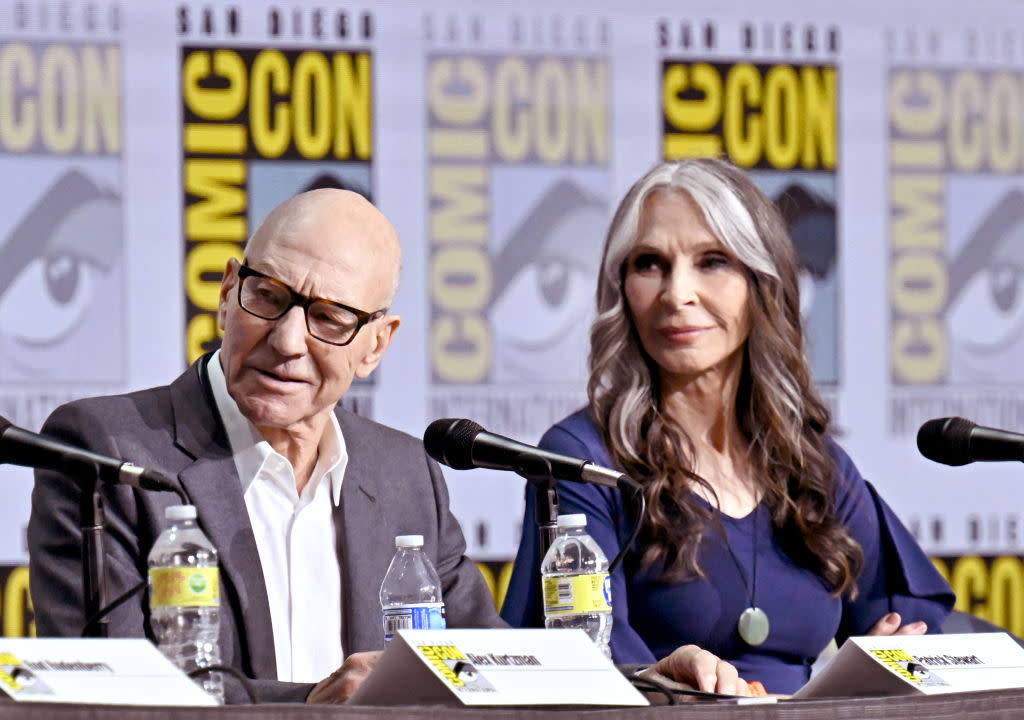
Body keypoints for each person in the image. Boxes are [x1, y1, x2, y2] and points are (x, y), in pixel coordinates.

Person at [28, 189, 503, 704]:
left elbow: (483, 667)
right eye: (269, 297)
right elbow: (107, 692)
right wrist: (308, 708)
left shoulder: (406, 475)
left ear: (376, 345)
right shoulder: (105, 453)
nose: (288, 341)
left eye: (329, 318)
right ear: (228, 293)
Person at [501, 158, 955, 696]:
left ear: (760, 284)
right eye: (650, 264)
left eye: (712, 261)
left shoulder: (812, 464)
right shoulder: (582, 460)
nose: (676, 294)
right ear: (621, 289)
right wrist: (666, 678)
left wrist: (892, 653)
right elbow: (583, 652)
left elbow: (912, 622)